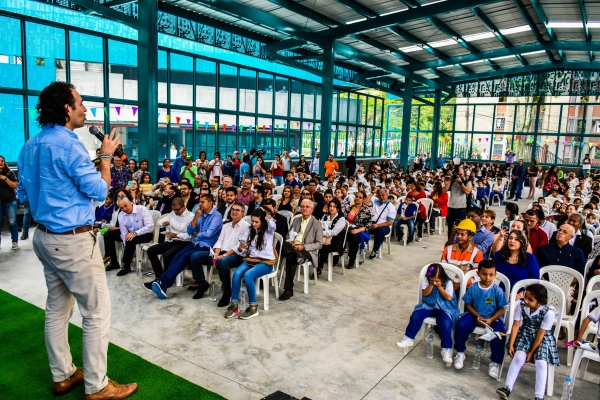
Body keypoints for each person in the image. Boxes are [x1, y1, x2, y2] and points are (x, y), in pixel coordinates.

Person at [17, 82, 137, 398]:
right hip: (72, 241)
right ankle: (97, 386)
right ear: (67, 107)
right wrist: (106, 158)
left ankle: (63, 375)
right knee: (96, 312)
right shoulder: (69, 146)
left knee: (57, 309)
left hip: (43, 237)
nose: (85, 109)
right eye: (81, 103)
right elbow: (99, 191)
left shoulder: (29, 146)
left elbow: (23, 194)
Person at [148, 194, 222, 299]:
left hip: (208, 246)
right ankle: (163, 285)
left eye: (202, 202)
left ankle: (162, 281)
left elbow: (209, 234)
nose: (199, 204)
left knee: (186, 256)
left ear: (210, 203)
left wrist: (197, 234)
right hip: (196, 243)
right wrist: (196, 218)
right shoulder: (199, 213)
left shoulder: (217, 216)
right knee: (177, 255)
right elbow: (190, 231)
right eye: (199, 202)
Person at [496, 284, 559, 400]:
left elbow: (541, 334)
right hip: (525, 334)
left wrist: (532, 352)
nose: (526, 301)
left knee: (541, 362)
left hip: (542, 339)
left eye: (530, 299)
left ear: (539, 302)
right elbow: (515, 326)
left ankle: (539, 396)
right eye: (525, 297)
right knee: (518, 357)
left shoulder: (547, 313)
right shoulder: (521, 306)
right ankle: (507, 388)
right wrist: (511, 344)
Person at [396, 263, 459, 366]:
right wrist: (431, 284)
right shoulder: (427, 281)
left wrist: (439, 287)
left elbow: (448, 298)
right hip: (430, 306)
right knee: (417, 314)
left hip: (445, 308)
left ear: (442, 278)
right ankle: (408, 338)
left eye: (437, 280)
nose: (434, 282)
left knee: (445, 322)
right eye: (432, 280)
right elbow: (425, 294)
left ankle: (446, 349)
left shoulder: (448, 283)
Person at [453, 260, 508, 379]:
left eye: (491, 275)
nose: (487, 277)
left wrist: (492, 319)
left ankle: (495, 362)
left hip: (492, 318)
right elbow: (468, 304)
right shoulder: (473, 287)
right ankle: (460, 353)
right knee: (461, 324)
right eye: (484, 274)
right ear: (478, 274)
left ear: (495, 275)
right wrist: (476, 315)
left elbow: (501, 309)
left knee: (499, 334)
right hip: (474, 315)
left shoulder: (497, 290)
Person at [224, 208, 278, 319]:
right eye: (252, 221)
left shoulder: (269, 230)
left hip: (266, 262)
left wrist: (265, 214)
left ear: (262, 221)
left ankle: (253, 307)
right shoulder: (249, 231)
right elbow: (242, 251)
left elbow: (272, 223)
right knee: (237, 273)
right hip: (251, 259)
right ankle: (234, 305)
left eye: (256, 222)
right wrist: (241, 248)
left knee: (248, 275)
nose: (253, 224)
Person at [207, 202, 250, 306]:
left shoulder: (246, 227)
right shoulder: (226, 226)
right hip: (221, 253)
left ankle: (227, 291)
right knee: (196, 257)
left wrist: (222, 256)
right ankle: (201, 285)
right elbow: (219, 241)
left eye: (237, 210)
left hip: (237, 255)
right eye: (233, 209)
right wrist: (216, 256)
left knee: (222, 262)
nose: (234, 212)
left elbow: (239, 247)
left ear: (243, 213)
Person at [279, 199, 323, 301]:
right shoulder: (296, 220)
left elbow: (319, 244)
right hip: (293, 248)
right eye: (302, 206)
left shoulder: (317, 224)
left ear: (312, 210)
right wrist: (291, 242)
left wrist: (303, 247)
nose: (304, 209)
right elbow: (287, 236)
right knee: (281, 242)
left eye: (307, 207)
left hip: (306, 251)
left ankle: (288, 290)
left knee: (290, 256)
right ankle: (288, 289)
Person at [104, 196, 154, 276]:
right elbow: (124, 233)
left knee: (130, 239)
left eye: (125, 206)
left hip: (145, 233)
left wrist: (135, 233)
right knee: (108, 235)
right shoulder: (121, 215)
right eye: (121, 207)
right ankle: (113, 262)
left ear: (130, 202)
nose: (124, 209)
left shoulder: (142, 209)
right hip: (130, 234)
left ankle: (126, 266)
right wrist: (127, 247)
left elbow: (150, 226)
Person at [145, 197, 193, 277]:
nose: (175, 212)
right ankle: (160, 275)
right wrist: (163, 223)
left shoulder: (191, 217)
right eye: (174, 209)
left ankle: (167, 276)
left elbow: (191, 236)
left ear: (183, 206)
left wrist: (177, 235)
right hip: (173, 241)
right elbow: (159, 222)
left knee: (167, 255)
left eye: (177, 210)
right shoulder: (172, 214)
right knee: (151, 250)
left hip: (185, 243)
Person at [314, 198, 346, 278]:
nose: (331, 208)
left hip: (336, 241)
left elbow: (334, 232)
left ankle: (319, 268)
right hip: (325, 238)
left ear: (338, 208)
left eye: (334, 207)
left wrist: (321, 233)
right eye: (330, 206)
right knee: (314, 244)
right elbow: (320, 225)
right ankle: (314, 264)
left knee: (323, 248)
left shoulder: (341, 219)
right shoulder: (326, 215)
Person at [343, 190, 372, 268]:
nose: (357, 199)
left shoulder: (366, 210)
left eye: (360, 197)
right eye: (356, 197)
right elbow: (343, 220)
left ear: (363, 199)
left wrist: (357, 230)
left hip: (359, 231)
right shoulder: (349, 208)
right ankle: (335, 258)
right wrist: (345, 228)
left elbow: (369, 225)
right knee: (338, 235)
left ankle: (352, 260)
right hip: (347, 230)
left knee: (354, 239)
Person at [443, 167, 472, 239]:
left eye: (461, 174)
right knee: (450, 228)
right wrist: (451, 179)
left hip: (461, 209)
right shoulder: (452, 182)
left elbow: (467, 191)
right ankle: (449, 245)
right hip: (451, 207)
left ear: (464, 174)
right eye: (458, 174)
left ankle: (458, 245)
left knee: (460, 229)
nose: (459, 176)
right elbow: (444, 191)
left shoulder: (467, 182)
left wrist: (460, 182)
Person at [368, 188, 395, 259]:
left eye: (383, 195)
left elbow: (390, 222)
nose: (381, 197)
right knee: (360, 228)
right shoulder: (375, 202)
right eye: (380, 195)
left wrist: (378, 225)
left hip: (384, 226)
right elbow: (365, 202)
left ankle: (375, 250)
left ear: (387, 195)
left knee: (380, 231)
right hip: (372, 224)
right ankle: (360, 248)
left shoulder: (391, 206)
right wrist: (373, 191)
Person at [0, 155, 19, 249]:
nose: (0, 163)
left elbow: (15, 186)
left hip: (10, 201)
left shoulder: (9, 173)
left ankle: (15, 241)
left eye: (2, 161)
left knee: (12, 221)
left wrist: (4, 178)